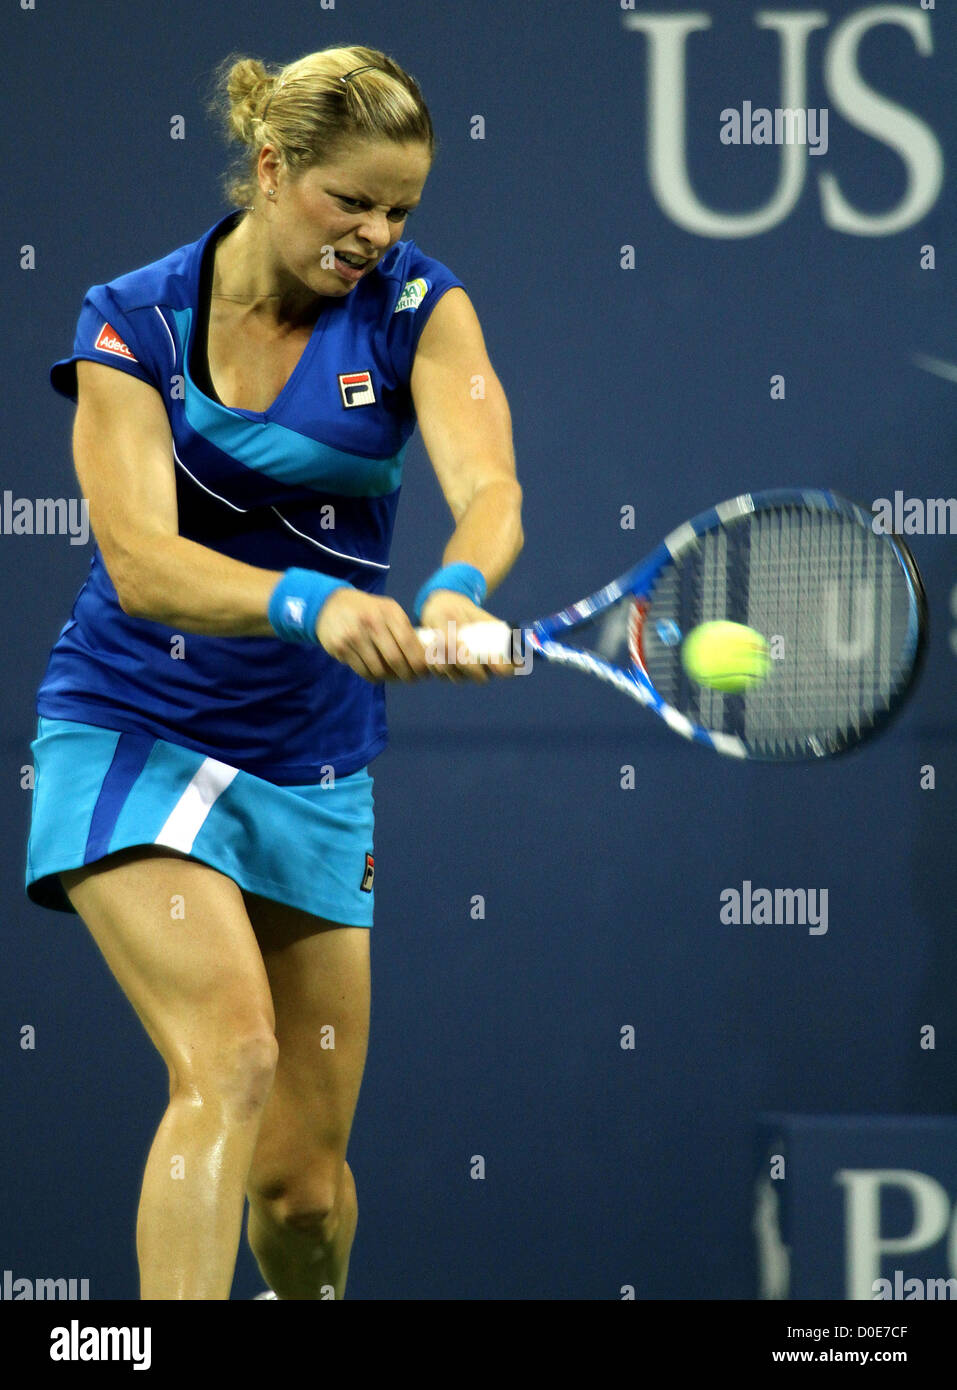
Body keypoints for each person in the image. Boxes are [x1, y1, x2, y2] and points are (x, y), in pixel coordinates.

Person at [24, 44, 523, 1300]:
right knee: (230, 1055)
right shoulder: (127, 321)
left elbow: (491, 490)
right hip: (135, 725)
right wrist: (315, 602)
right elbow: (141, 562)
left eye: (400, 208)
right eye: (349, 201)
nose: (376, 233)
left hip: (310, 759)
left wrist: (454, 592)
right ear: (270, 167)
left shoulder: (419, 307)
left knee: (301, 1189)